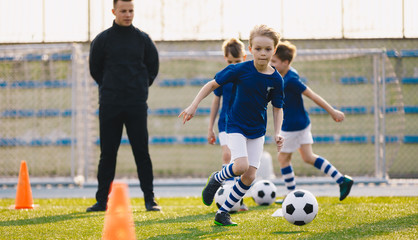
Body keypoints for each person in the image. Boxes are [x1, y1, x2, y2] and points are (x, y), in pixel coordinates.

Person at [180, 25, 285, 226]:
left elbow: (278, 108)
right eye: (258, 48)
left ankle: (223, 212)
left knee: (250, 176)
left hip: (257, 131)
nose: (263, 53)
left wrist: (278, 132)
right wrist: (193, 106)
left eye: (268, 49)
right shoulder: (239, 69)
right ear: (250, 48)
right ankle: (216, 179)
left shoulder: (276, 80)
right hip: (235, 125)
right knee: (240, 166)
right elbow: (211, 85)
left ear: (274, 49)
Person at [87, 0, 161, 212]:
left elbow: (152, 67)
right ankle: (102, 201)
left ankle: (150, 199)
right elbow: (95, 69)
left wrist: (139, 87)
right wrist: (110, 87)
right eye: (123, 11)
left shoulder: (143, 39)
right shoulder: (102, 40)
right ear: (114, 11)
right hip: (110, 104)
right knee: (107, 154)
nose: (128, 14)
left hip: (136, 104)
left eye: (131, 11)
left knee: (142, 152)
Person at [269, 41, 353, 202]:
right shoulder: (288, 73)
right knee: (308, 157)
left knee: (282, 159)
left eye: (274, 61)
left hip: (291, 126)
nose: (271, 64)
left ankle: (291, 195)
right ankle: (342, 180)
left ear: (285, 63)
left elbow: (312, 95)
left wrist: (332, 111)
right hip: (302, 123)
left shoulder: (290, 81)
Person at [207, 38, 248, 211]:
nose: (233, 65)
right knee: (227, 154)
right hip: (225, 123)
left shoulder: (248, 76)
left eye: (237, 61)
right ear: (225, 59)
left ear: (244, 58)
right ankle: (225, 192)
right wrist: (210, 127)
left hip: (242, 123)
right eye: (230, 61)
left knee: (240, 162)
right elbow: (216, 102)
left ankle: (237, 199)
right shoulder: (223, 76)